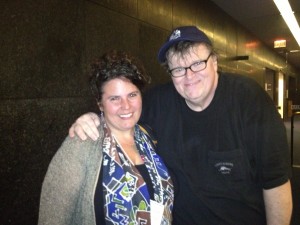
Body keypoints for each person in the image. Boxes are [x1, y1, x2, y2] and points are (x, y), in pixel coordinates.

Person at [68, 26, 293, 225]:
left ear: (214, 62)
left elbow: (276, 183)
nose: (189, 76)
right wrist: (93, 118)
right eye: (178, 69)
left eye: (197, 63)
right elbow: (121, 109)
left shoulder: (248, 99)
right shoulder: (159, 101)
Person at [38, 50, 174, 225]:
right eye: (114, 98)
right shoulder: (82, 144)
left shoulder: (148, 137)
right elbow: (52, 218)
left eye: (132, 95)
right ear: (100, 104)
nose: (126, 106)